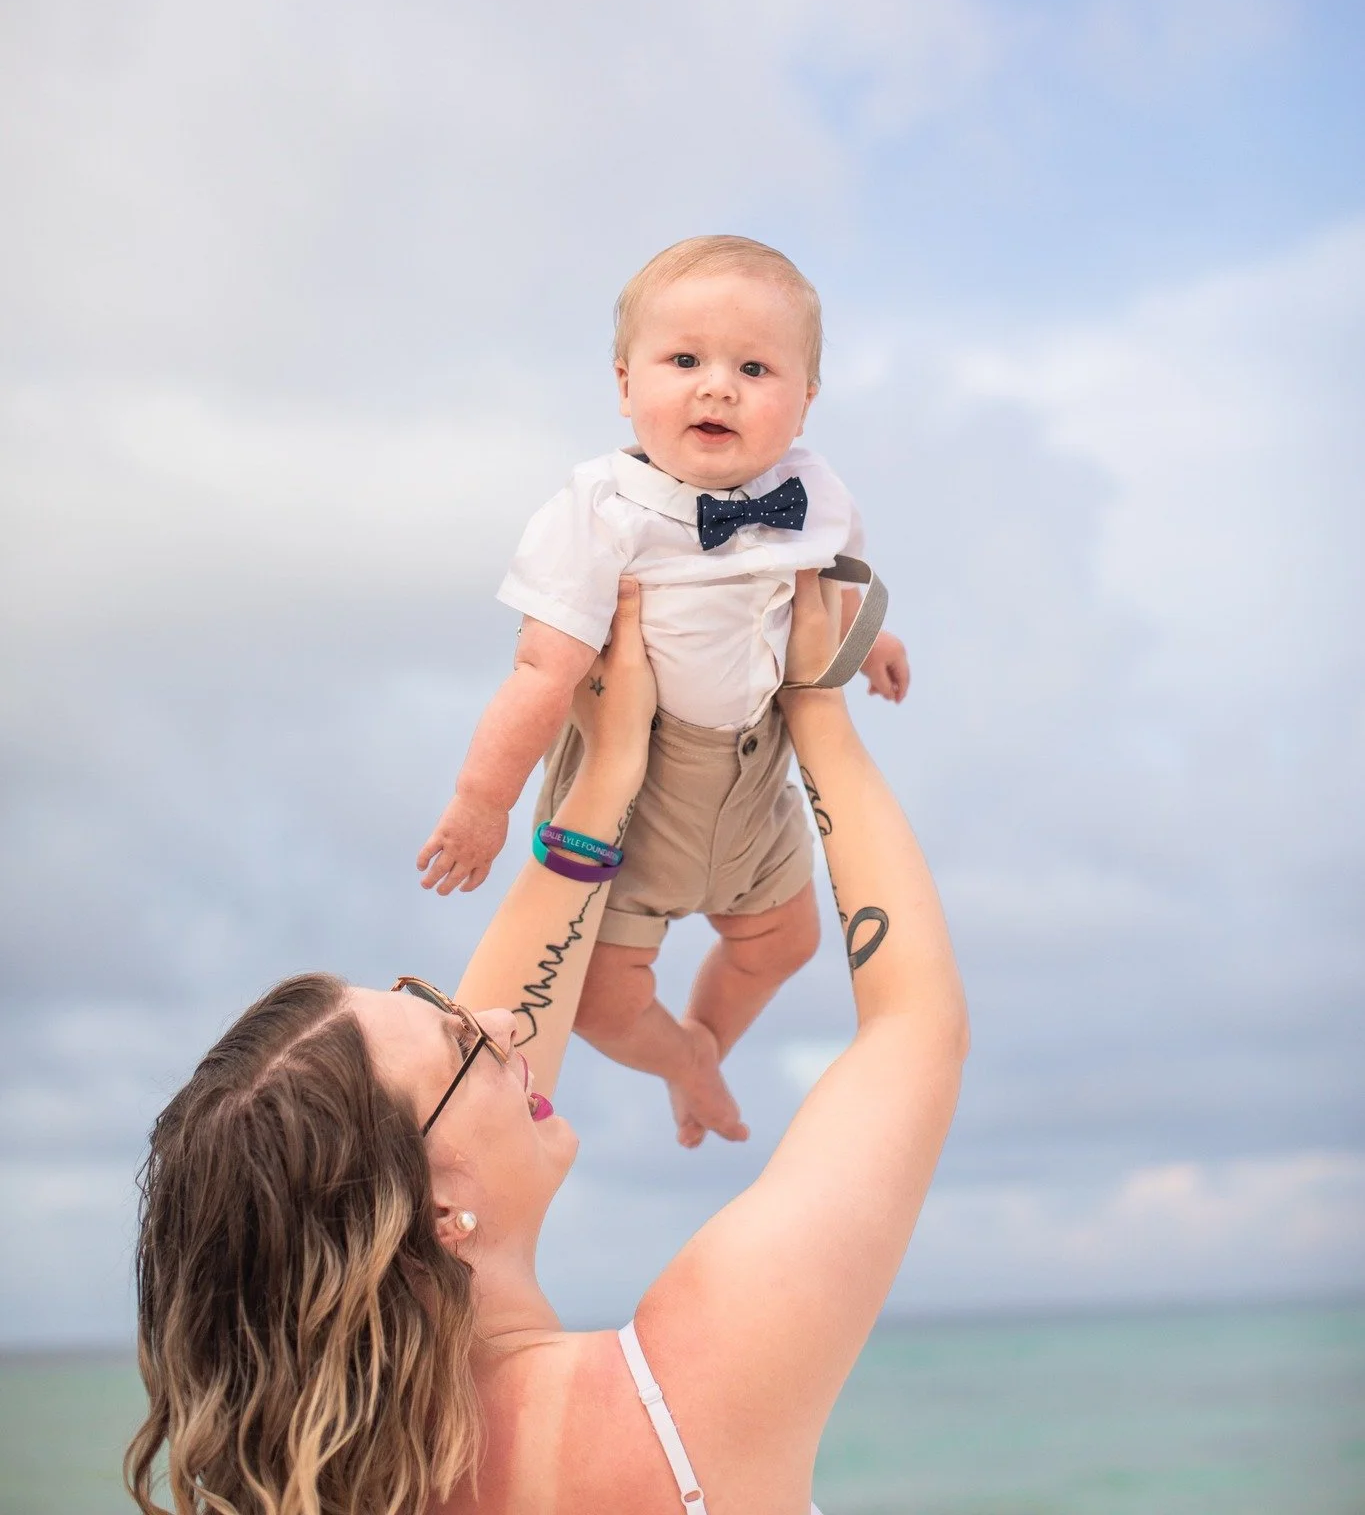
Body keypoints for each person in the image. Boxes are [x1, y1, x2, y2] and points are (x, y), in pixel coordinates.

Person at [127, 574, 966, 1515]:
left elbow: (467, 1072)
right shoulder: (690, 1394)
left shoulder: (341, 1490)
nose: (502, 1023)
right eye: (460, 1044)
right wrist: (819, 711)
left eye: (442, 1002)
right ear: (443, 1215)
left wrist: (610, 768)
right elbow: (913, 1027)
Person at [416, 235, 910, 1150]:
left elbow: (826, 581)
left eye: (753, 368)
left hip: (757, 775)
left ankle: (706, 1045)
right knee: (603, 1000)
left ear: (803, 401)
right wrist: (480, 803)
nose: (716, 385)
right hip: (637, 788)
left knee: (787, 944)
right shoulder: (598, 511)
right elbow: (540, 672)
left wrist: (870, 638)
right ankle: (678, 1063)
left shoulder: (811, 490)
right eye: (683, 360)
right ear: (623, 383)